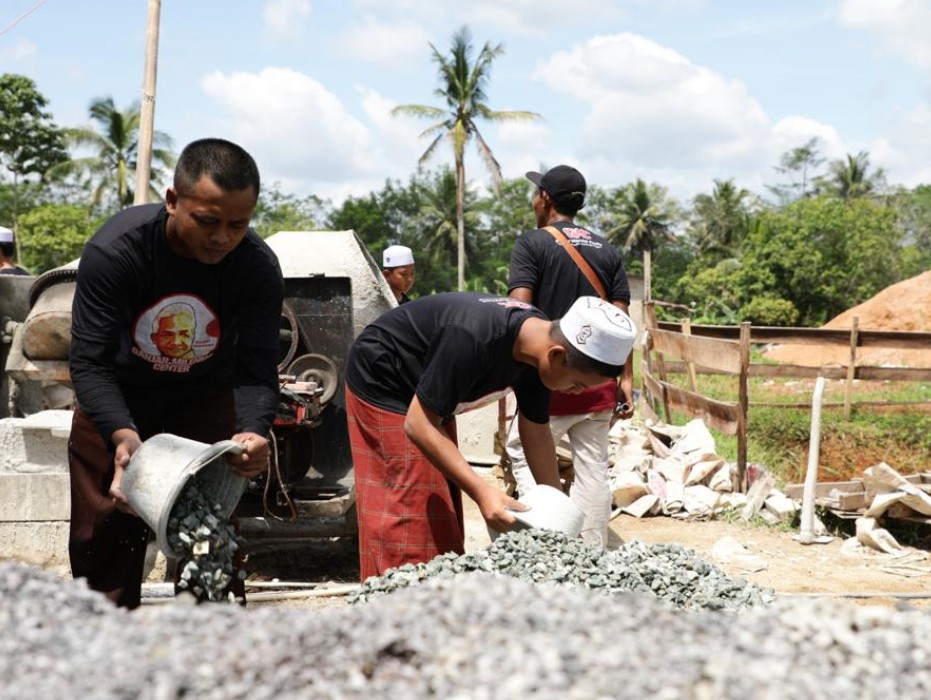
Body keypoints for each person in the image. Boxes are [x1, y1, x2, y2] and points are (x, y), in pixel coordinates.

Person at [68, 138, 284, 609]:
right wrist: (123, 437)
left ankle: (211, 652)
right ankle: (102, 657)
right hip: (118, 396)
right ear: (172, 201)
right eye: (207, 221)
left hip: (203, 398)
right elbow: (89, 362)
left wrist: (251, 431)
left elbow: (256, 367)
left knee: (211, 535)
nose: (222, 237)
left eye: (238, 225)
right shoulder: (117, 252)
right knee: (104, 535)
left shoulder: (257, 267)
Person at [344, 291, 636, 579]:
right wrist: (483, 493)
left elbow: (535, 430)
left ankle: (440, 598)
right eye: (577, 383)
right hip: (385, 381)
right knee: (411, 511)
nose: (576, 392)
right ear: (557, 355)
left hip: (431, 396)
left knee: (442, 507)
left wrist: (558, 509)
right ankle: (397, 605)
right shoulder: (472, 338)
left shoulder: (538, 349)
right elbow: (419, 425)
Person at [506, 164, 635, 549]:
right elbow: (621, 321)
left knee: (523, 451)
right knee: (593, 467)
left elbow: (517, 311)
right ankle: (591, 549)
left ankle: (545, 541)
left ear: (544, 199)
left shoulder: (533, 244)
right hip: (598, 382)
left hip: (549, 378)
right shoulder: (607, 250)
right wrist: (626, 380)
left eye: (535, 194)